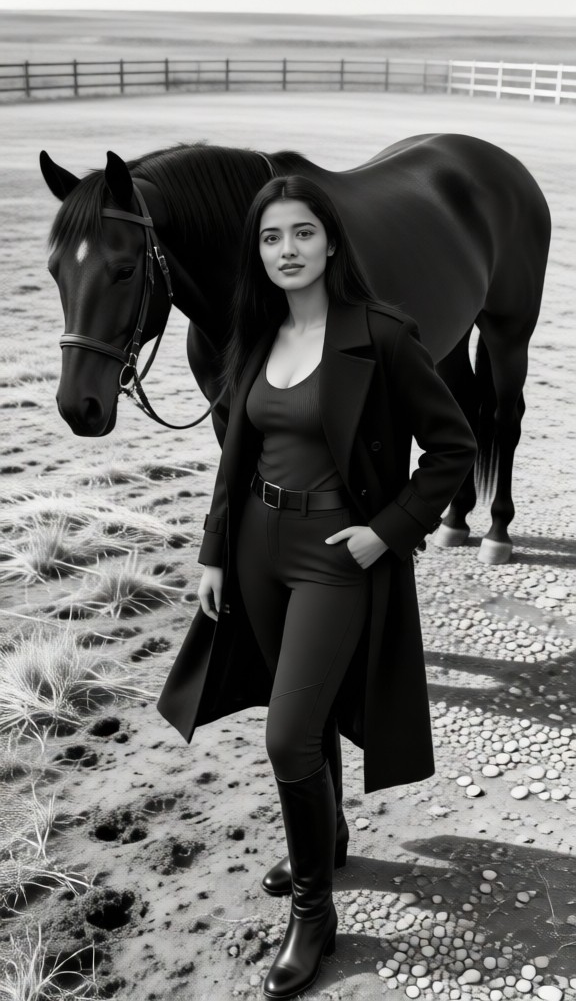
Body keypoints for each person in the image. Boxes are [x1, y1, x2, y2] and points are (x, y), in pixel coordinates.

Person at [157, 175, 477, 1000]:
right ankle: (325, 835)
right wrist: (214, 551)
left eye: (302, 233)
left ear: (330, 241)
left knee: (287, 737)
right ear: (256, 253)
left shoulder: (382, 334)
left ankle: (313, 913)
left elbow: (450, 447)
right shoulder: (256, 334)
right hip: (260, 546)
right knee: (303, 712)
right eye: (270, 238)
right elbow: (237, 452)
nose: (286, 250)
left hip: (340, 555)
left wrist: (387, 532)